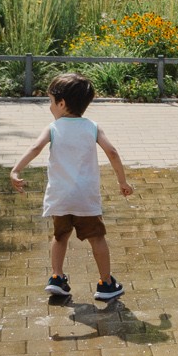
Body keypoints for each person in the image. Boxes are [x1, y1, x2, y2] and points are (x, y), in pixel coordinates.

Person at [10, 72, 133, 302]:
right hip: (85, 198)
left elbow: (35, 148)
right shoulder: (93, 127)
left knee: (59, 237)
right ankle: (106, 284)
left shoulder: (53, 128)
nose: (50, 107)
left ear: (62, 103)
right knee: (97, 237)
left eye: (50, 102)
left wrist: (16, 170)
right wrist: (122, 181)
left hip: (60, 197)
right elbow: (112, 152)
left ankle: (57, 278)